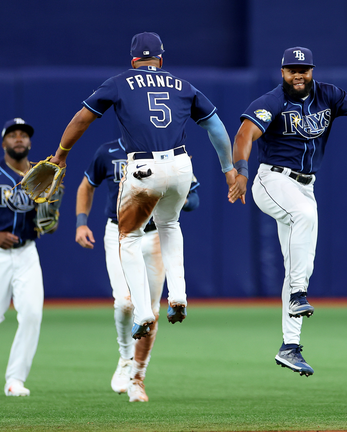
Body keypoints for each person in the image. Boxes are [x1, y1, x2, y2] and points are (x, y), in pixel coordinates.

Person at [47, 31, 236, 396]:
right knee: (172, 223)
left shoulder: (119, 82)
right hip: (181, 165)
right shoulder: (183, 84)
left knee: (128, 236)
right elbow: (214, 125)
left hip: (143, 167)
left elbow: (82, 119)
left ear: (133, 60)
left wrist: (61, 153)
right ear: (161, 59)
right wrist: (229, 168)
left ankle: (146, 315)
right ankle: (178, 295)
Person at [227, 47, 347, 377]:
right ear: (282, 72)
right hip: (272, 180)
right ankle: (299, 293)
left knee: (297, 258)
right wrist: (241, 170)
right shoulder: (272, 102)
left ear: (312, 70)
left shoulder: (328, 95)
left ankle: (290, 346)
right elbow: (245, 134)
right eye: (292, 69)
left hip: (304, 186)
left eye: (305, 68)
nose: (299, 74)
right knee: (306, 218)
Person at [75, 137, 200, 402]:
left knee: (151, 312)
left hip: (154, 235)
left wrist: (173, 199)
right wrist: (81, 222)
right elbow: (86, 186)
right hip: (119, 232)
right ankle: (125, 357)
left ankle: (137, 378)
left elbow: (194, 198)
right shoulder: (107, 150)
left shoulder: (165, 153)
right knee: (124, 303)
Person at [0, 118, 59, 396]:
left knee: (32, 314)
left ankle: (15, 379)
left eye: (24, 135)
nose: (19, 139)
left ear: (29, 142)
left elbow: (48, 221)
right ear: (4, 142)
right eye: (13, 135)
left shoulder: (40, 175)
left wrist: (49, 220)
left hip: (27, 253)